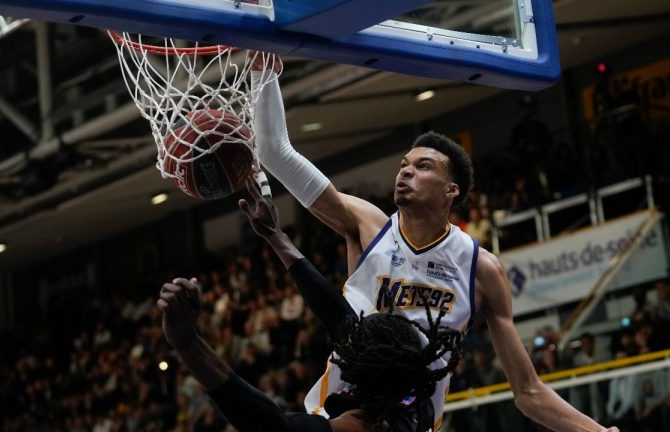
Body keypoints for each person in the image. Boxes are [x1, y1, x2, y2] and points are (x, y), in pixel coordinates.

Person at [250, 53, 618, 431]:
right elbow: (275, 151)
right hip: (337, 416)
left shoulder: (481, 268)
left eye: (423, 167)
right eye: (403, 165)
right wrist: (264, 66)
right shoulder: (369, 226)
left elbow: (528, 392)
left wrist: (597, 430)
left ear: (451, 191)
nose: (406, 170)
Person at [158, 179, 464, 431]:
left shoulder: (371, 427)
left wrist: (188, 344)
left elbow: (270, 425)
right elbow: (335, 313)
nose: (351, 334)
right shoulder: (405, 387)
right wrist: (275, 236)